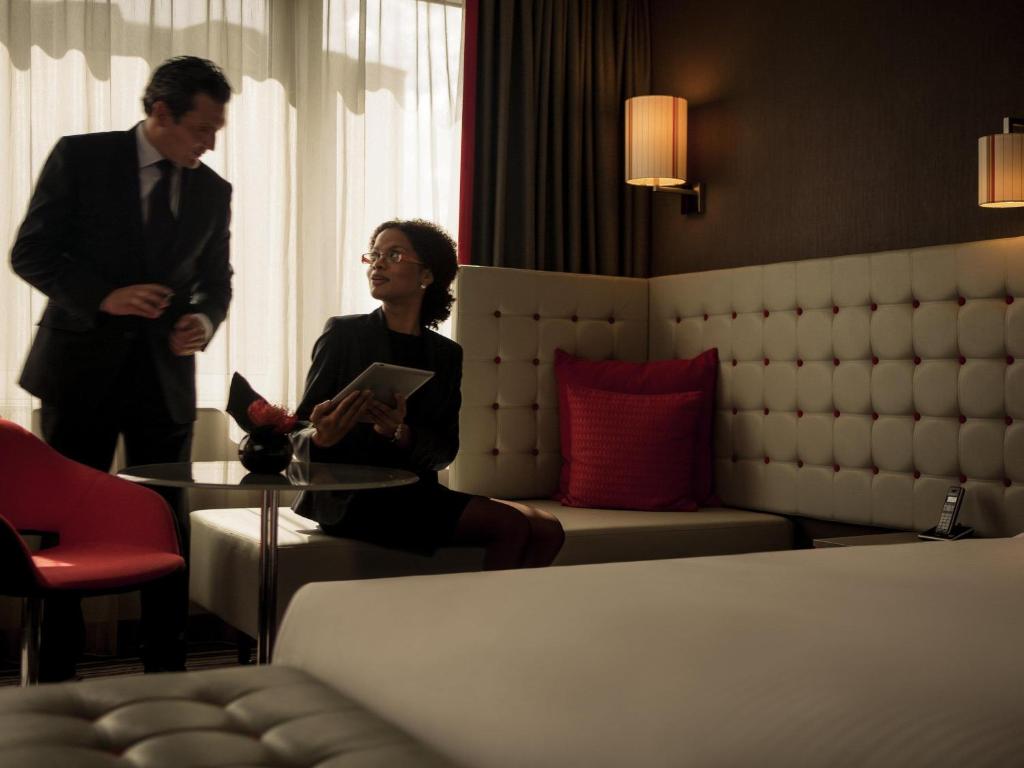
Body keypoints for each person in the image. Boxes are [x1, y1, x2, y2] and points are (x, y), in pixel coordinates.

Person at [10, 56, 234, 679]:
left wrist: (204, 320)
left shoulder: (214, 190)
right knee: (67, 521)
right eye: (202, 129)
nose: (210, 143)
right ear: (161, 112)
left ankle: (166, 665)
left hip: (165, 381)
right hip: (77, 371)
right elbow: (30, 252)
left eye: (216, 130)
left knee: (166, 522)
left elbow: (216, 282)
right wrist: (103, 297)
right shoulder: (81, 157)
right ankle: (56, 667)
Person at [293, 219, 564, 569]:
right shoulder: (344, 334)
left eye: (394, 255)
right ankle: (490, 607)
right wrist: (320, 438)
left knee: (548, 529)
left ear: (427, 275)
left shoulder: (446, 355)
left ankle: (503, 605)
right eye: (374, 254)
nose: (378, 263)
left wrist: (399, 432)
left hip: (412, 491)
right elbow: (298, 427)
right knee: (512, 525)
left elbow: (444, 451)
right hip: (351, 497)